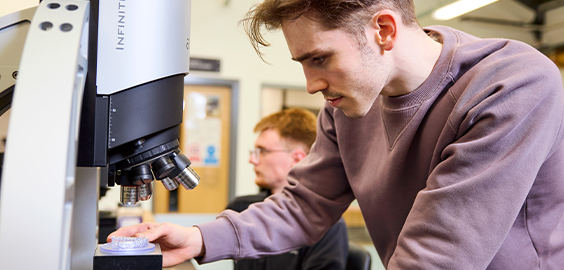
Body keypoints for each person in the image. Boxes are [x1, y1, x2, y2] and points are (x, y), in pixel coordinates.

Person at [109, 1, 564, 269]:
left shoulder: (510, 84)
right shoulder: (349, 105)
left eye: (319, 59)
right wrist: (200, 238)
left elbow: (441, 253)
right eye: (302, 64)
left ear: (383, 30)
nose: (310, 84)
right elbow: (303, 205)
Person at [226, 108, 348, 270]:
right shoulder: (241, 208)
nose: (252, 160)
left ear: (296, 158)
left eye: (262, 151)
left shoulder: (327, 223)